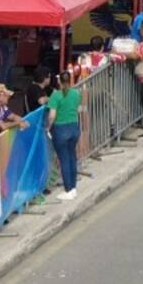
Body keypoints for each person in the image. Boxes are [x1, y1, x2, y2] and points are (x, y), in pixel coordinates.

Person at [46, 69, 83, 201]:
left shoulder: (55, 96)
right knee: (72, 157)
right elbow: (79, 109)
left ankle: (68, 189)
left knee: (64, 160)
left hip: (61, 130)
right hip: (74, 128)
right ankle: (73, 187)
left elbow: (52, 115)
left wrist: (47, 128)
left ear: (59, 81)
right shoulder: (76, 93)